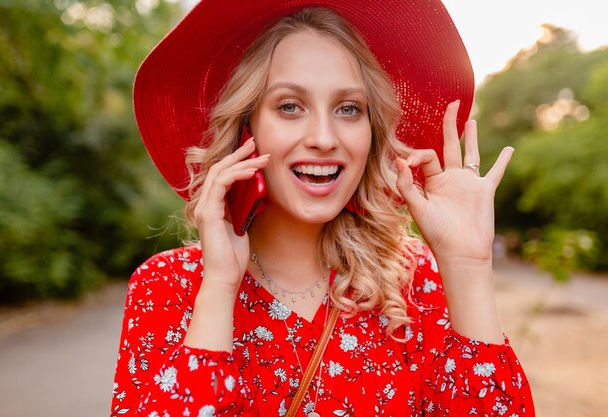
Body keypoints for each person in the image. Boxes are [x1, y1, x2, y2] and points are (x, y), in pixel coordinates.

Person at [111, 1, 535, 416]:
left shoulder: (416, 280)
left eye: (349, 109)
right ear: (247, 130)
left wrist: (467, 267)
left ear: (372, 135)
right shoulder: (166, 288)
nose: (324, 137)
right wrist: (219, 289)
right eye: (290, 106)